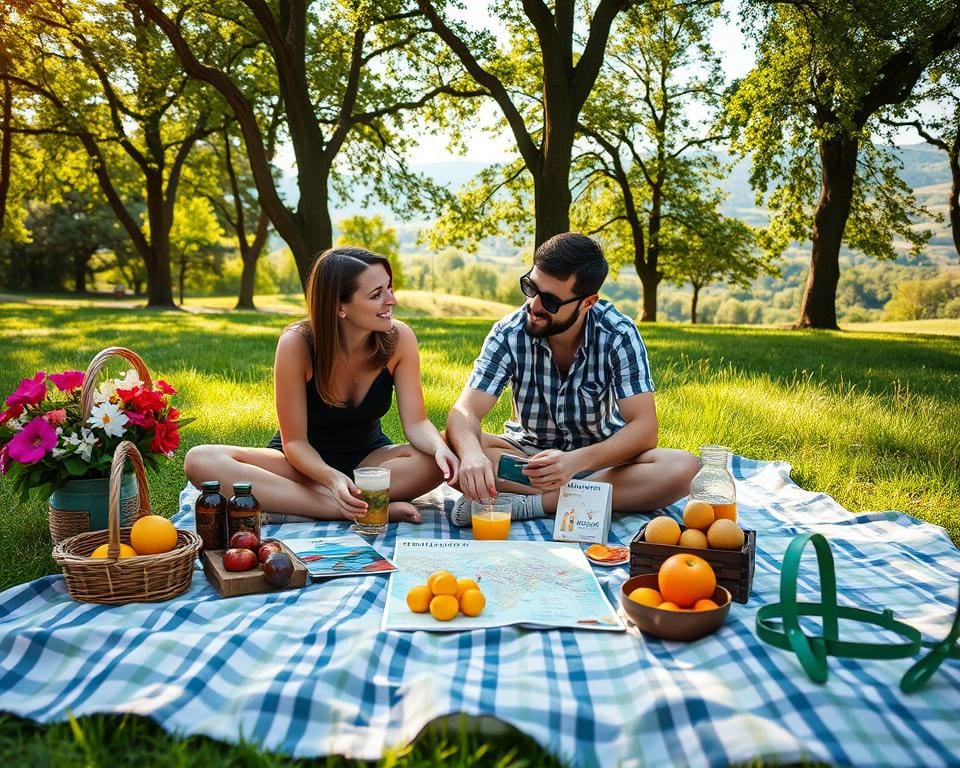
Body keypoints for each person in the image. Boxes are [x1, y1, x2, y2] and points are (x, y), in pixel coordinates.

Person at [185, 246, 458, 524]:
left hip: (369, 463)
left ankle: (298, 504)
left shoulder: (400, 339)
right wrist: (331, 479)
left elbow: (417, 423)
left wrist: (439, 448)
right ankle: (355, 509)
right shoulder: (297, 343)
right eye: (377, 294)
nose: (392, 300)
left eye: (389, 288)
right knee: (199, 460)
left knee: (439, 457)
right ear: (339, 306)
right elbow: (295, 443)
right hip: (300, 466)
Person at [446, 232, 698, 525]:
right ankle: (586, 496)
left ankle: (531, 506)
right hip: (526, 465)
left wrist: (575, 462)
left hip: (600, 463)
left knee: (684, 467)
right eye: (530, 287)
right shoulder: (509, 332)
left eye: (551, 301)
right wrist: (473, 456)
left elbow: (644, 428)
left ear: (588, 302)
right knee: (451, 448)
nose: (534, 305)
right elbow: (465, 412)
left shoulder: (618, 334)